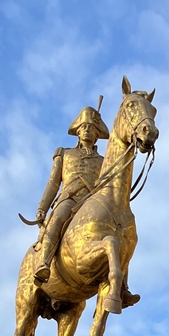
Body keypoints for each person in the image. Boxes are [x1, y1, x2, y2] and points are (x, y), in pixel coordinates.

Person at [32, 103, 110, 285]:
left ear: (98, 134)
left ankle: (121, 284)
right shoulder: (65, 154)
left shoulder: (104, 161)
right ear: (77, 131)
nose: (87, 131)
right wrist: (42, 208)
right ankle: (44, 263)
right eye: (83, 127)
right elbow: (53, 183)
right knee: (58, 219)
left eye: (91, 128)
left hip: (93, 203)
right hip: (70, 198)